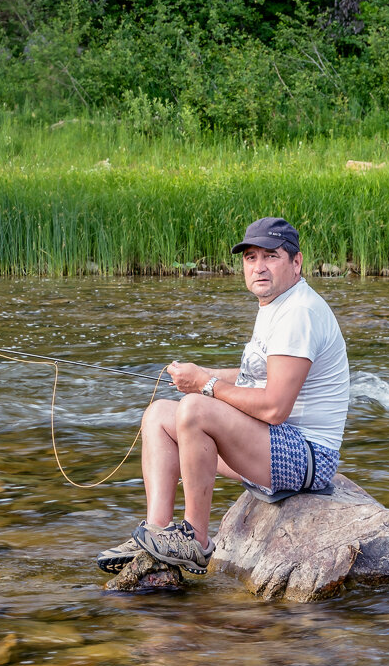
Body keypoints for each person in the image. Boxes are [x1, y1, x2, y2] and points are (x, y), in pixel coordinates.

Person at [97, 217, 350, 575]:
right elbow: (258, 378)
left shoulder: (300, 313)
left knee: (196, 410)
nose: (258, 267)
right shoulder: (278, 304)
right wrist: (203, 374)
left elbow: (275, 407)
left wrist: (206, 385)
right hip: (275, 446)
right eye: (250, 258)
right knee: (158, 416)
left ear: (296, 263)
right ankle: (157, 535)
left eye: (270, 256)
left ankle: (195, 541)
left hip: (308, 457)